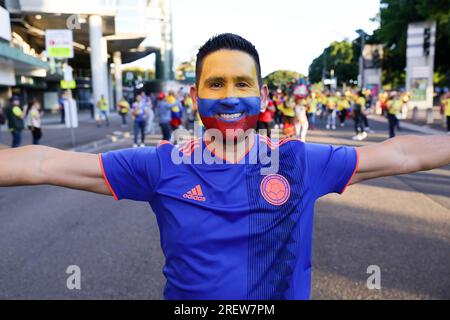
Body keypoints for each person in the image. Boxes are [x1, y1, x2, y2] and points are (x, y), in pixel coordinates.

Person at [0, 33, 449, 300]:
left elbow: (403, 154)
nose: (230, 96)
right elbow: (43, 161)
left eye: (242, 83)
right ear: (195, 97)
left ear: (262, 96)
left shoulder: (297, 161)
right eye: (215, 84)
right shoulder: (162, 164)